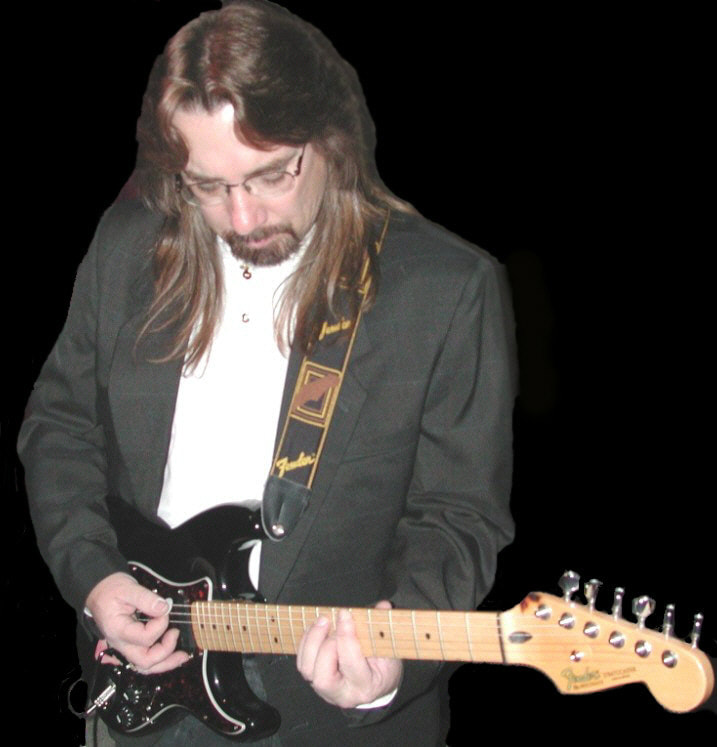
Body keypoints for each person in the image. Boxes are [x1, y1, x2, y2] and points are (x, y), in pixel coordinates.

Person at [18, 1, 517, 744]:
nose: (244, 217)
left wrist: (391, 661)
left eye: (271, 174)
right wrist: (93, 575)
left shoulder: (442, 289)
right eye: (208, 186)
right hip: (139, 682)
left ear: (329, 139)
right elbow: (59, 428)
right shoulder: (127, 248)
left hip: (328, 718)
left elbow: (457, 517)